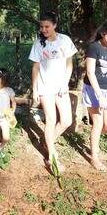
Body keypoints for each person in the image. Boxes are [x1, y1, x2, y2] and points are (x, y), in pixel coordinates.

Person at [29, 12, 77, 171]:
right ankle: (52, 156)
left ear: (55, 25)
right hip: (45, 87)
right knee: (51, 120)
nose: (43, 29)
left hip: (61, 87)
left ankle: (47, 140)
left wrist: (65, 83)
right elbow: (35, 67)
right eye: (41, 26)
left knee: (66, 121)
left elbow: (69, 64)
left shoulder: (65, 40)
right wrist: (35, 88)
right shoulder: (38, 44)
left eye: (47, 26)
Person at [83, 19, 107, 171]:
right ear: (103, 34)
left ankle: (95, 140)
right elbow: (90, 73)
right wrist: (99, 95)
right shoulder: (94, 47)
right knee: (98, 124)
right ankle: (95, 158)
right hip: (93, 89)